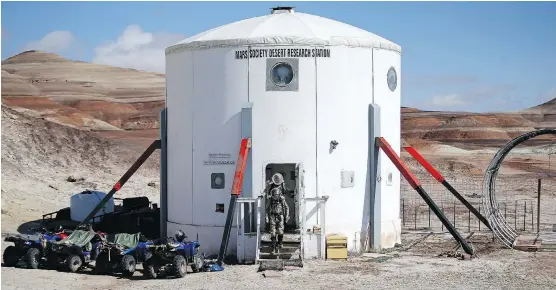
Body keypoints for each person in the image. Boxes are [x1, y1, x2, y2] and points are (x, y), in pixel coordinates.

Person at [265, 187, 289, 253]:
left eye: (277, 194)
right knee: (273, 231)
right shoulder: (270, 199)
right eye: (275, 194)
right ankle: (273, 245)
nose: (276, 196)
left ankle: (280, 243)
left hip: (280, 216)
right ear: (272, 194)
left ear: (279, 194)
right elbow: (267, 209)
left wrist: (286, 216)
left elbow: (286, 208)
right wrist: (267, 217)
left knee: (280, 230)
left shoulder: (281, 199)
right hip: (273, 215)